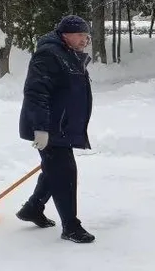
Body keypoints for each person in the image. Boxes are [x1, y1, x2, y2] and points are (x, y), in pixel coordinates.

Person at [17, 15, 96, 244]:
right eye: (80, 35)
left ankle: (33, 208)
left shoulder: (68, 54)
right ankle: (71, 227)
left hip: (63, 127)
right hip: (50, 128)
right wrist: (40, 129)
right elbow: (36, 93)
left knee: (55, 170)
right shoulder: (48, 55)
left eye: (86, 35)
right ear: (66, 35)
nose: (85, 39)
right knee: (65, 173)